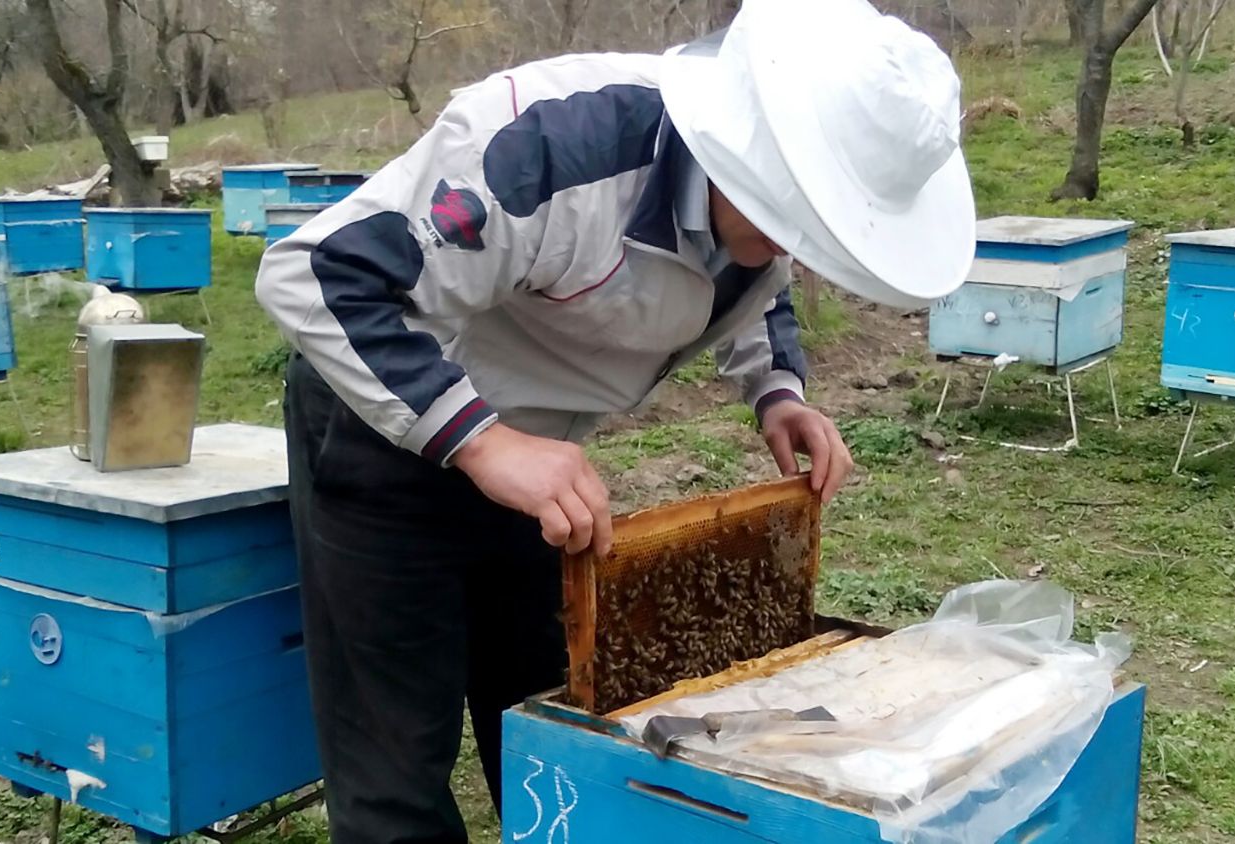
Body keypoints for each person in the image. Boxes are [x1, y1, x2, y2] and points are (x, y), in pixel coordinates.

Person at [256, 0, 975, 840]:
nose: (798, 252)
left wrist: (778, 391)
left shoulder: (759, 229)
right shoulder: (546, 143)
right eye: (799, 223)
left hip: (542, 462)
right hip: (382, 426)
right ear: (750, 155)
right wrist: (481, 440)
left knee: (549, 718)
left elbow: (756, 289)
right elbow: (318, 274)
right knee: (395, 762)